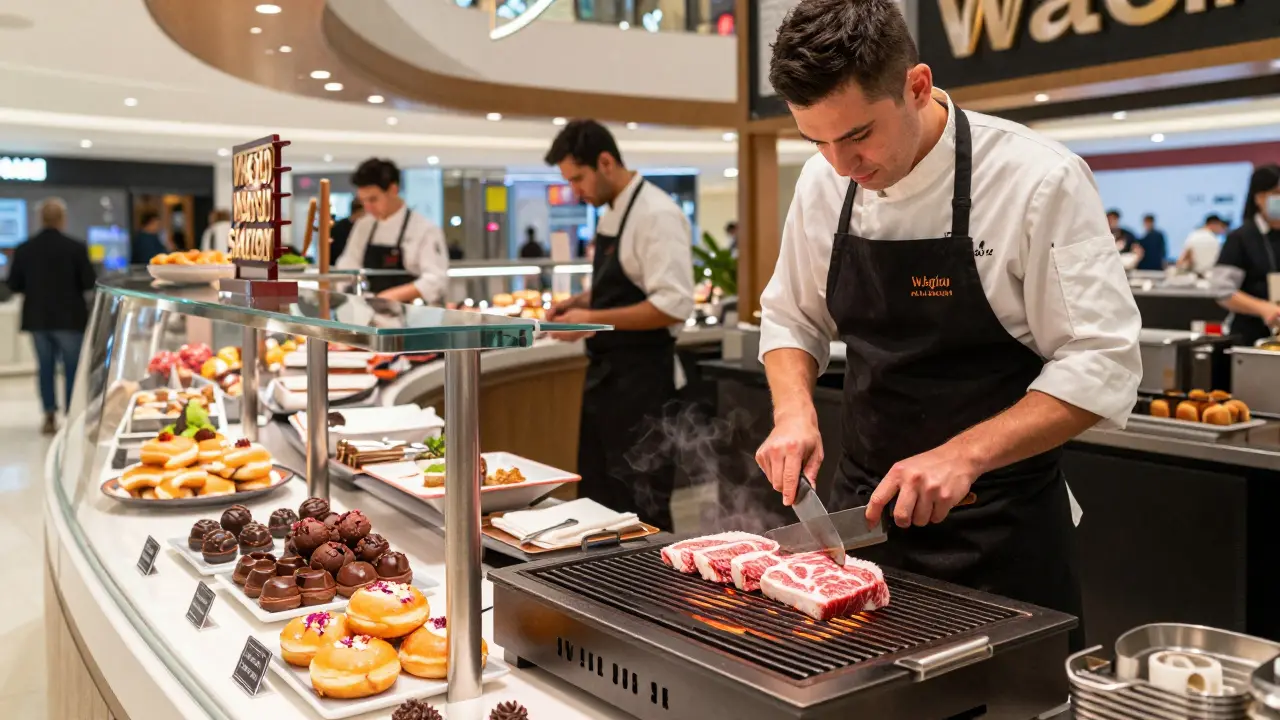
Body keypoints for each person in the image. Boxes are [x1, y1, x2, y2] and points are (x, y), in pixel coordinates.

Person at [754, 0, 1140, 652]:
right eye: (814, 140)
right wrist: (793, 411)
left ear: (918, 86)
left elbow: (1102, 360)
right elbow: (792, 315)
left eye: (857, 136)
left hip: (999, 534)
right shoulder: (826, 184)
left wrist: (965, 454)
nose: (839, 164)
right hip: (863, 525)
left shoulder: (1037, 180)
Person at [543, 120, 695, 531]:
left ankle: (653, 595)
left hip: (644, 387)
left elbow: (673, 304)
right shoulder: (613, 211)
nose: (575, 191)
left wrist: (588, 319)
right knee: (598, 502)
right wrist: (578, 302)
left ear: (606, 162)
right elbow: (623, 283)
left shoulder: (657, 214)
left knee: (642, 510)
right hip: (607, 384)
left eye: (578, 178)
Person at [8, 199, 96, 434]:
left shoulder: (25, 248)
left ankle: (49, 415)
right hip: (69, 318)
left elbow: (14, 284)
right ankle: (70, 415)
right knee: (71, 368)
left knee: (45, 368)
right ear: (62, 219)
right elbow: (88, 282)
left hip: (38, 319)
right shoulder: (75, 248)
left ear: (41, 219)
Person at [335, 159, 448, 301]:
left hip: (412, 315)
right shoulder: (363, 225)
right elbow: (348, 265)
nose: (367, 207)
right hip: (369, 312)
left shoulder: (425, 229)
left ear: (393, 190)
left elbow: (435, 280)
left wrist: (388, 298)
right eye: (363, 201)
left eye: (373, 199)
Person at [1213, 164, 1280, 346]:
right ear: (1259, 197)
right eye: (1276, 193)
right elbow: (1222, 290)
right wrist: (1262, 308)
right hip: (1251, 338)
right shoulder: (1241, 237)